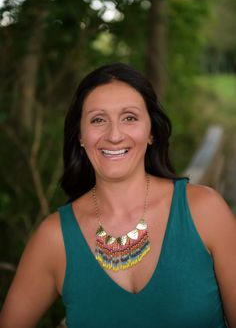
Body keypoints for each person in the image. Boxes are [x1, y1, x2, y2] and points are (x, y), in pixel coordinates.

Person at [0, 63, 235, 328]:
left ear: (151, 133)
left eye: (130, 118)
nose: (114, 135)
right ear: (80, 135)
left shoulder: (205, 211)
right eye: (98, 119)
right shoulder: (54, 238)